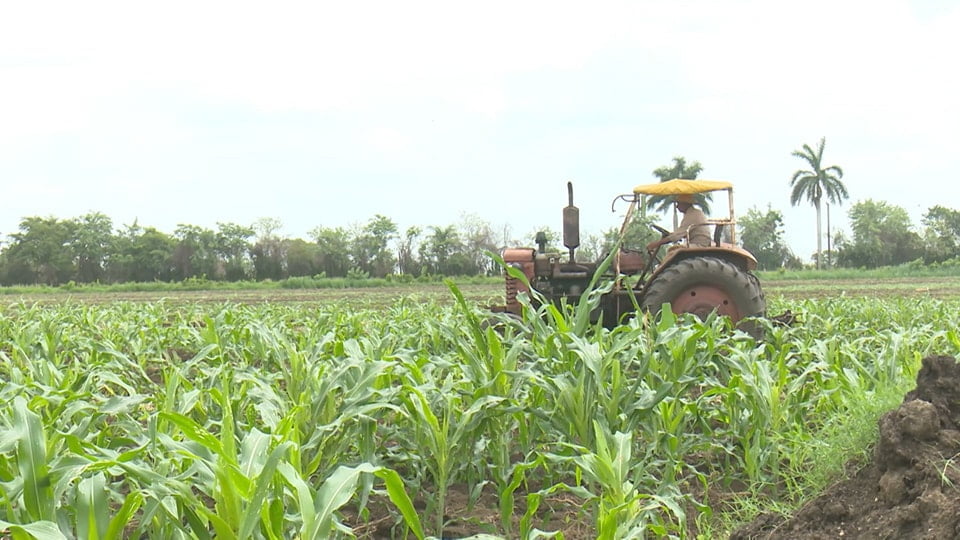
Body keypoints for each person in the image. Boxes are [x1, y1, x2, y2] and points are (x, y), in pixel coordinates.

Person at [646, 193, 712, 252]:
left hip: (699, 245)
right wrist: (670, 235)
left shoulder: (692, 215)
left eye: (678, 204)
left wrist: (656, 244)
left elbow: (677, 236)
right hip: (698, 243)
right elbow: (681, 233)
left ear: (685, 204)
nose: (677, 206)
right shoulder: (693, 213)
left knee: (673, 251)